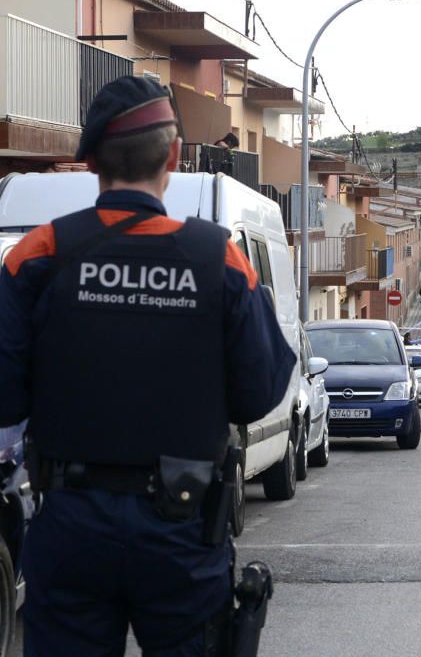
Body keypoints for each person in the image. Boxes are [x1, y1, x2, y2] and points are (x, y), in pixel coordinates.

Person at [0, 75, 295, 655]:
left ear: (90, 165)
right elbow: (261, 391)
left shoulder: (37, 254)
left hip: (70, 523)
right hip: (181, 528)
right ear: (175, 156)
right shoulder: (220, 258)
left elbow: (4, 397)